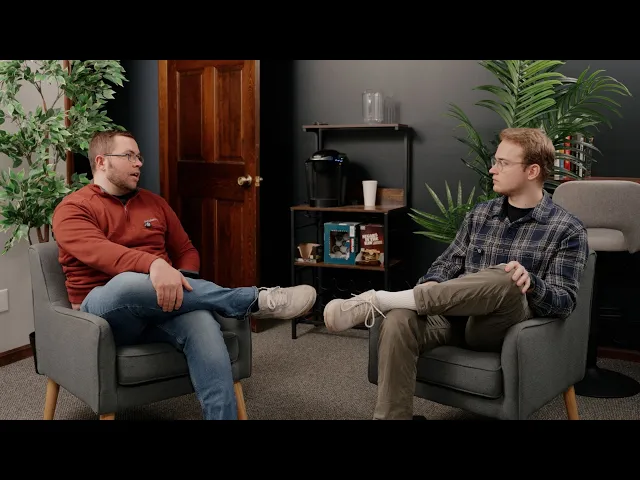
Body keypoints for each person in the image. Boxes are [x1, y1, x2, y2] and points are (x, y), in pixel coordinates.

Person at [323, 127, 589, 420]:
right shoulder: (481, 214)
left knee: (507, 276)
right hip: (453, 318)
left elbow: (565, 303)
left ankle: (381, 300)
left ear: (532, 171)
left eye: (503, 163)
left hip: (499, 330)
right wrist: (433, 282)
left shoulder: (567, 229)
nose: (492, 169)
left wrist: (533, 284)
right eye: (495, 161)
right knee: (398, 319)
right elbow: (447, 263)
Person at [51, 130, 317, 420]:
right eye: (129, 156)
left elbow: (186, 250)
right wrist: (155, 266)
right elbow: (104, 254)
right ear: (101, 162)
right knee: (127, 282)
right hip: (105, 313)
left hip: (163, 306)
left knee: (202, 323)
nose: (139, 163)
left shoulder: (155, 203)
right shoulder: (72, 209)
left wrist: (177, 280)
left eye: (139, 156)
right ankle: (253, 300)